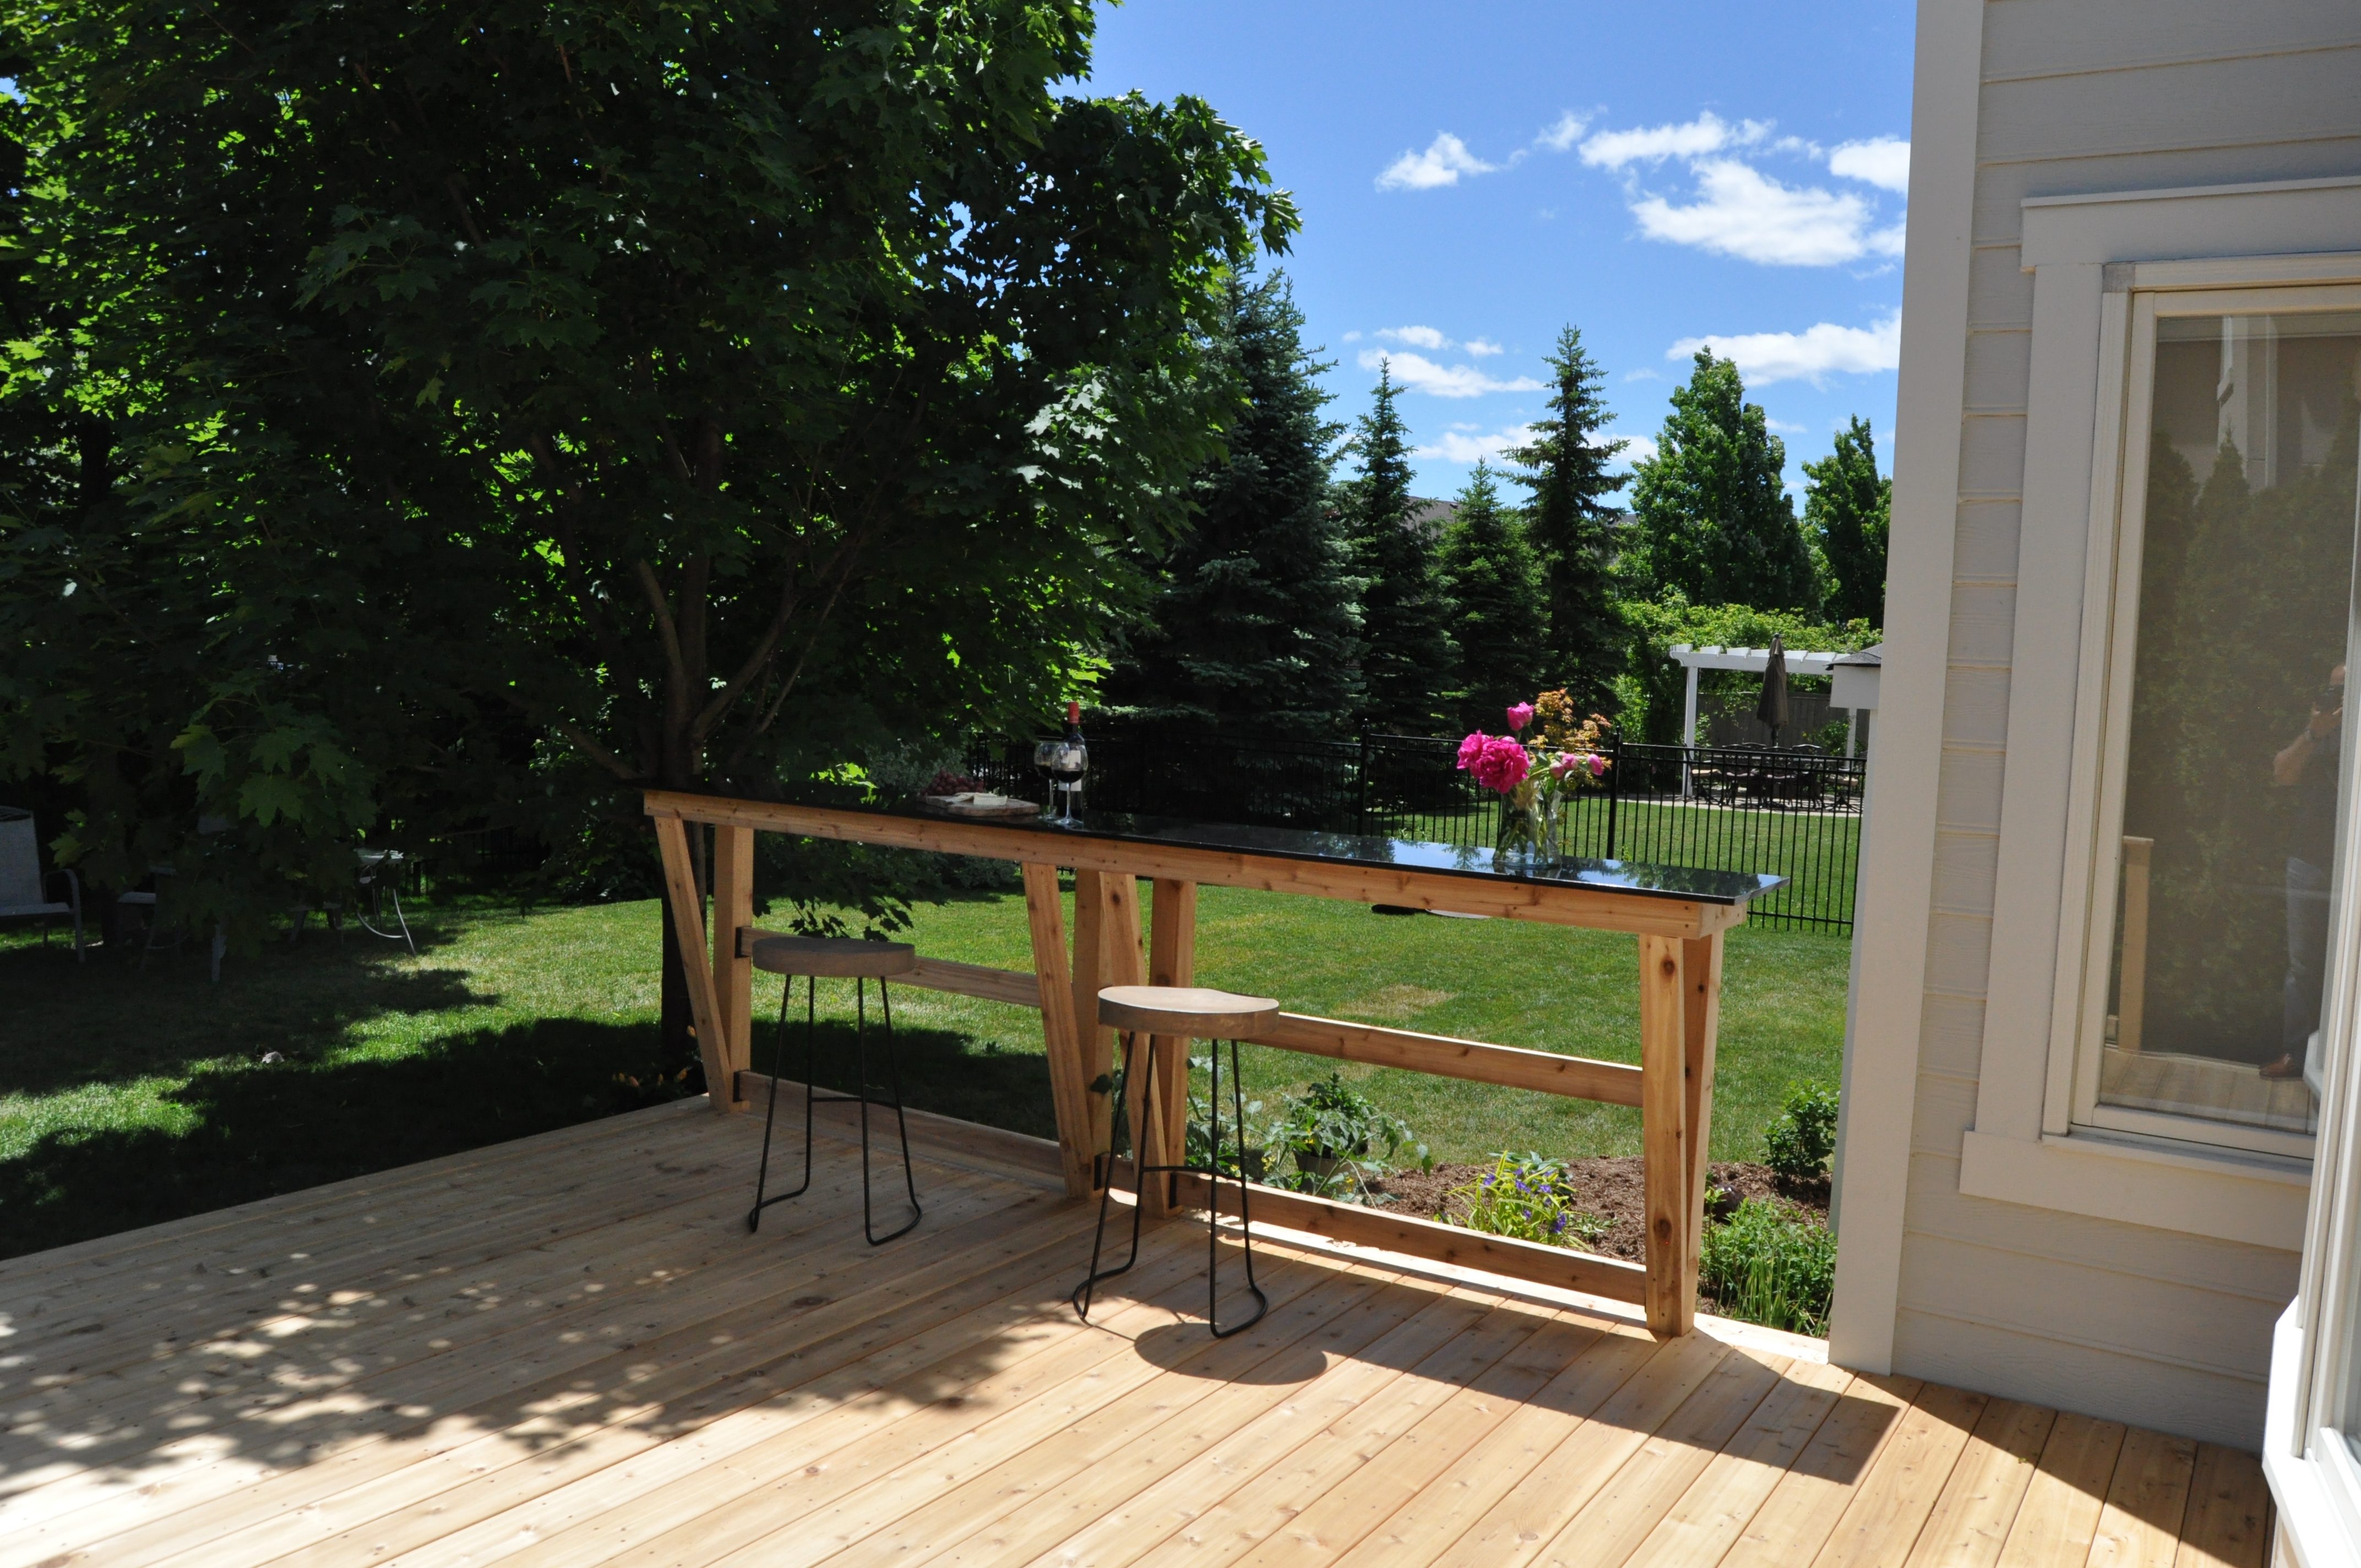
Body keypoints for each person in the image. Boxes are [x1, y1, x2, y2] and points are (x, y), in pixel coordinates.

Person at [2263, 663, 2344, 1080]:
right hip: (2310, 861)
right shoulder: (2318, 734)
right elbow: (2282, 773)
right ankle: (2296, 1055)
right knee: (2305, 966)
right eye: (2333, 690)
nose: (2338, 699)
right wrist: (2315, 733)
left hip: (2353, 864)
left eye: (2346, 690)